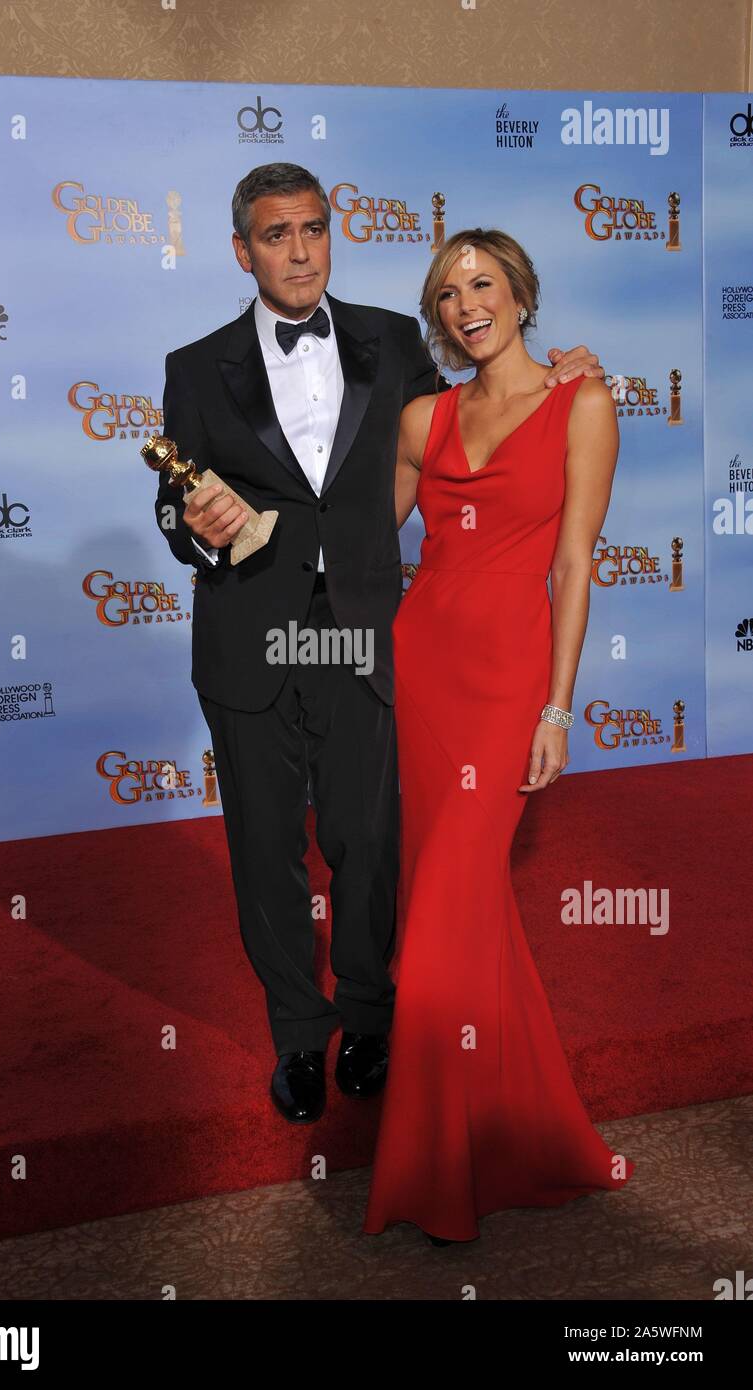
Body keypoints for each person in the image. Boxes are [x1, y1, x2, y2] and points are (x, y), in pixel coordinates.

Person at [154, 164, 606, 1125]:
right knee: (267, 844)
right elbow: (172, 497)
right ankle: (293, 1035)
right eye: (276, 235)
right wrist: (195, 516)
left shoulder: (393, 341)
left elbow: (481, 410)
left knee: (367, 838)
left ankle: (366, 1017)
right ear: (243, 250)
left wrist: (568, 368)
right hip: (251, 636)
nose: (300, 249)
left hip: (368, 635)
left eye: (313, 228)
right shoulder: (194, 367)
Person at [362, 229, 634, 1245]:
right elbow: (357, 545)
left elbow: (574, 563)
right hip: (422, 667)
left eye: (481, 284)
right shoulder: (422, 417)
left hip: (510, 676)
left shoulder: (583, 403)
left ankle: (436, 1166)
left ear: (521, 293)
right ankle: (517, 1129)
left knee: (445, 904)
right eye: (445, 293)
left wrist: (557, 707)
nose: (464, 303)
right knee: (458, 906)